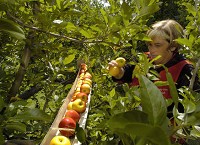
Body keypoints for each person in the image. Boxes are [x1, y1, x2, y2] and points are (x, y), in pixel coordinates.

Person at [108, 19, 200, 117]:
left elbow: (189, 110)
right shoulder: (142, 59)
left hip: (167, 128)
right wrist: (118, 72)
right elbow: (126, 73)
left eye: (157, 45)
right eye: (149, 45)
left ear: (173, 46)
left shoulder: (185, 70)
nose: (152, 50)